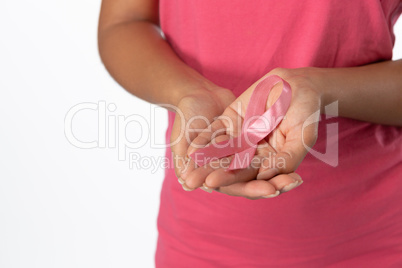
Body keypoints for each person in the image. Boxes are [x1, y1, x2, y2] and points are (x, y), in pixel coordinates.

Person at [98, 0, 402, 267]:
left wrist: (320, 89)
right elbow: (124, 21)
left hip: (377, 238)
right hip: (199, 240)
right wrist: (188, 91)